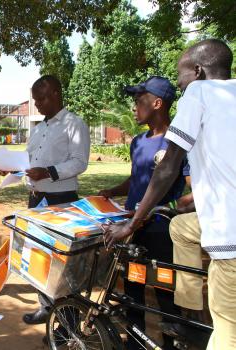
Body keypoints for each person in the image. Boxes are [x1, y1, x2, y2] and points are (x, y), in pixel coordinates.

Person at [104, 39, 236, 349]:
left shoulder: (200, 92)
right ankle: (187, 317)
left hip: (222, 233)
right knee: (180, 230)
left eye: (182, 76)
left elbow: (168, 170)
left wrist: (132, 223)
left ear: (198, 71)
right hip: (170, 224)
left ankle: (188, 323)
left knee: (226, 330)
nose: (181, 85)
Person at [98, 76, 186, 349]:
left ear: (158, 103)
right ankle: (133, 342)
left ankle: (169, 344)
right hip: (132, 229)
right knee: (132, 288)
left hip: (160, 232)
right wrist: (112, 191)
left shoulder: (178, 142)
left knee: (164, 292)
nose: (134, 107)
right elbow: (136, 179)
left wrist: (168, 209)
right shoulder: (138, 142)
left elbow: (193, 190)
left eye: (139, 101)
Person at [0, 75, 90, 327]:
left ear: (57, 94)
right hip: (36, 200)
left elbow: (80, 162)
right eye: (35, 99)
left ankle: (68, 322)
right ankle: (46, 308)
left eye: (41, 98)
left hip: (61, 201)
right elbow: (28, 164)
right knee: (38, 256)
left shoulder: (74, 124)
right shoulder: (38, 128)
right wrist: (11, 170)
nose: (37, 104)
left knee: (62, 263)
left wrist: (49, 171)